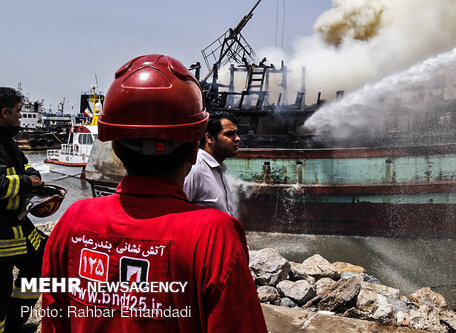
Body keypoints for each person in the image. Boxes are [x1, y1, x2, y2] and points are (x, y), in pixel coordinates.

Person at [41, 55, 267, 332]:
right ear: (195, 149)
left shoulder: (73, 221)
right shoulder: (214, 236)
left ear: (115, 148)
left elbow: (54, 320)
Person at [0, 87, 46, 333]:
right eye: (18, 111)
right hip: (3, 231)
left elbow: (28, 168)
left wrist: (33, 178)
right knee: (1, 288)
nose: (21, 116)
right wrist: (29, 182)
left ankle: (14, 323)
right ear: (4, 112)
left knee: (41, 258)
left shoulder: (8, 141)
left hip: (16, 224)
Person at [183, 111, 240, 217]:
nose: (237, 138)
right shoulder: (195, 168)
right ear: (209, 138)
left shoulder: (218, 168)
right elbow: (179, 214)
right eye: (229, 134)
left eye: (236, 133)